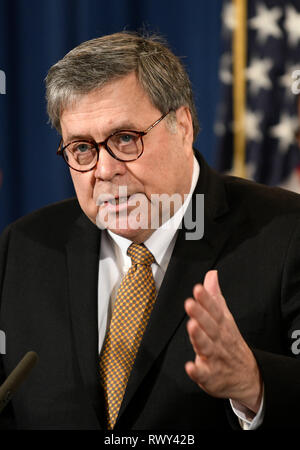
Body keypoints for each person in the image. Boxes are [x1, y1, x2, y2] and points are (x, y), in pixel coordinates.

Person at [1, 32, 300, 431]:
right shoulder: (24, 249)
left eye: (125, 139)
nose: (104, 171)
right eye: (82, 149)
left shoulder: (286, 233)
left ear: (183, 126)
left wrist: (254, 384)